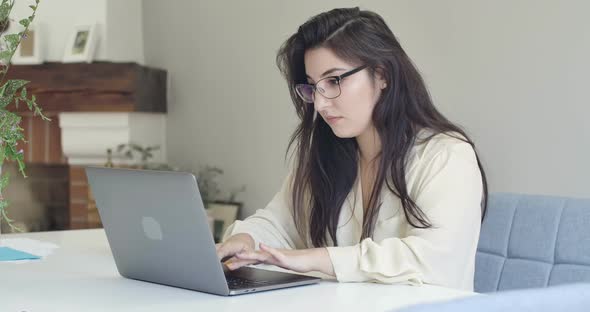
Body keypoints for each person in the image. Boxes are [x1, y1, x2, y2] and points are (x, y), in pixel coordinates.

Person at [216, 7, 488, 291]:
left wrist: (320, 259)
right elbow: (280, 223)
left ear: (382, 74)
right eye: (313, 87)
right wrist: (244, 240)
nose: (320, 104)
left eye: (334, 81)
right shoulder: (327, 157)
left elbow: (434, 262)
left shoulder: (446, 156)